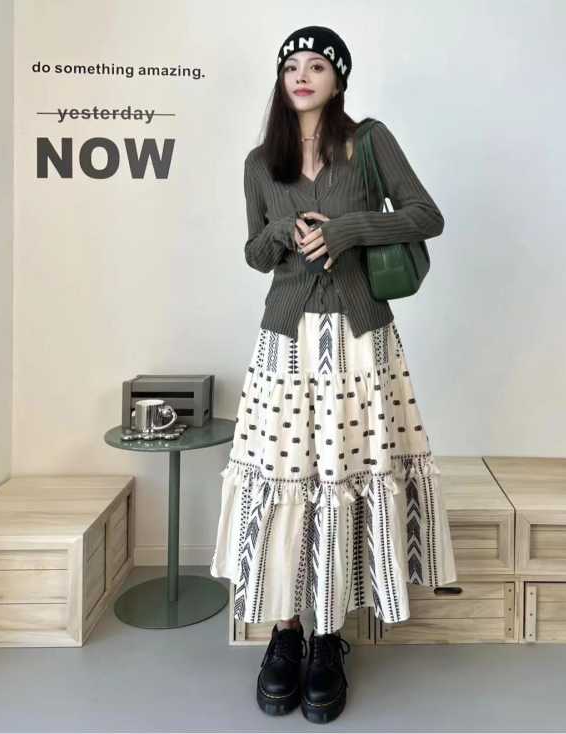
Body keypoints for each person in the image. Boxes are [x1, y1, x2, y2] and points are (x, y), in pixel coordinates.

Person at [210, 25, 457, 724]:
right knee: (287, 479)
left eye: (317, 64)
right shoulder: (261, 162)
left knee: (344, 474)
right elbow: (256, 253)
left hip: (358, 340)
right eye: (292, 64)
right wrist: (282, 233)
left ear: (338, 79)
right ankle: (285, 633)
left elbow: (427, 216)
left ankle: (327, 639)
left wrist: (347, 230)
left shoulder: (368, 142)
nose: (302, 74)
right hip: (286, 342)